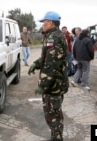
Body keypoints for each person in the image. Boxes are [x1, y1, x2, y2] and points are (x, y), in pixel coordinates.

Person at [28, 11, 69, 141]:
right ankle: (56, 136)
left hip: (53, 86)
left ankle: (57, 138)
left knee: (53, 115)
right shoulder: (52, 35)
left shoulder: (54, 38)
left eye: (44, 22)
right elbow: (47, 59)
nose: (42, 25)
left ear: (50, 23)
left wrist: (43, 85)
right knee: (54, 113)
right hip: (55, 84)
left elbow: (52, 66)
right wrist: (36, 63)